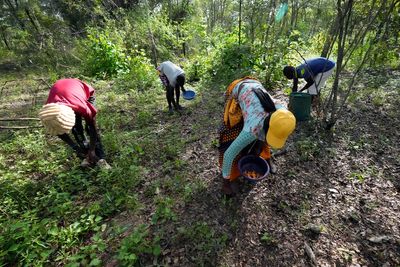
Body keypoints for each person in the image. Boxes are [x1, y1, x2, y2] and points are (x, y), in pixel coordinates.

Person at [218, 77, 296, 196]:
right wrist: (226, 183)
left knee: (263, 139)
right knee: (230, 135)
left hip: (256, 86)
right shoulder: (252, 128)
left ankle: (266, 157)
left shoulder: (284, 114)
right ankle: (227, 182)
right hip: (238, 89)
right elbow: (229, 154)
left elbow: (268, 132)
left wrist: (258, 147)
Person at [39, 78, 110, 169]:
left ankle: (100, 158)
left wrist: (92, 149)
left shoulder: (82, 107)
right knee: (77, 129)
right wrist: (75, 147)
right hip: (67, 95)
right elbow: (58, 131)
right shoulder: (49, 114)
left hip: (83, 92)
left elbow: (92, 126)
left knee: (89, 128)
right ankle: (87, 156)